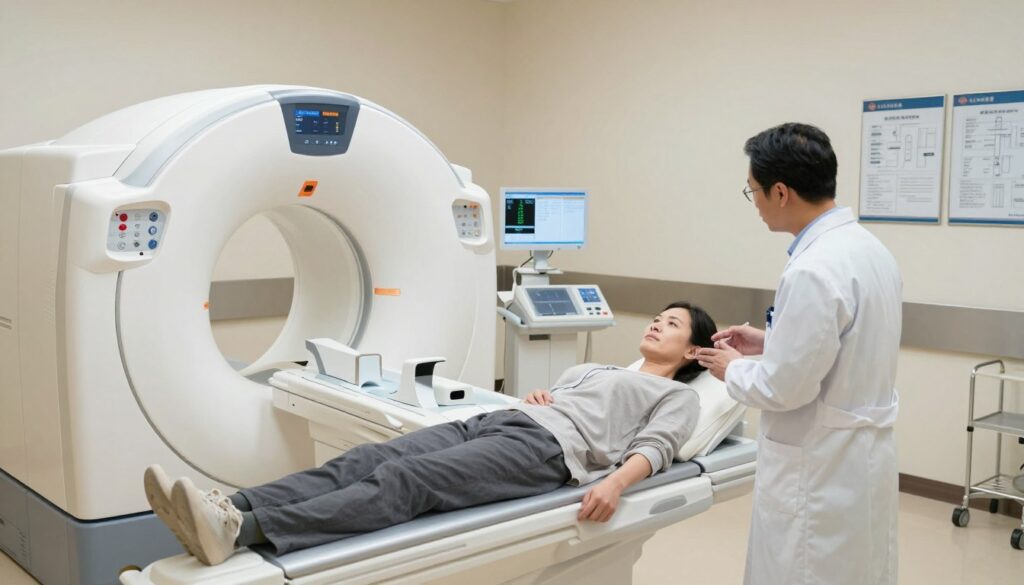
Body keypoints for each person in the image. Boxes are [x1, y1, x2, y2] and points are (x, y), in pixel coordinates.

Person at [144, 301, 716, 566]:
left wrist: (615, 484)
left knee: (406, 480)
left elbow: (655, 448)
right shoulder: (597, 369)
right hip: (499, 422)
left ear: (692, 351)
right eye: (656, 316)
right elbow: (569, 400)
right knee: (365, 459)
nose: (656, 323)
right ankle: (231, 505)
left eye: (671, 324)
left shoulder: (678, 396)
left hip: (545, 452)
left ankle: (244, 531)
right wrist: (545, 397)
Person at [697, 123, 902, 585]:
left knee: (806, 570)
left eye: (753, 191)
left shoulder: (813, 268)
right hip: (862, 461)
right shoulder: (869, 250)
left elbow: (785, 388)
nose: (755, 204)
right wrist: (771, 340)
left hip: (820, 469)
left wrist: (733, 369)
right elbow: (849, 342)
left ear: (781, 192)